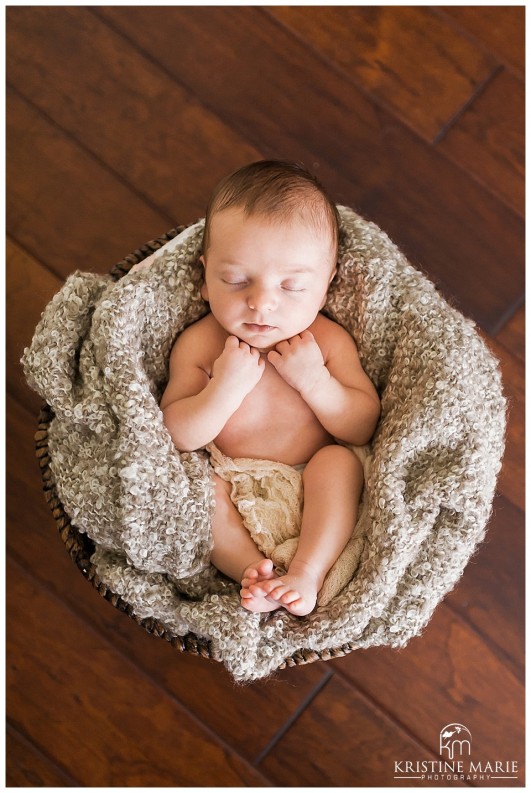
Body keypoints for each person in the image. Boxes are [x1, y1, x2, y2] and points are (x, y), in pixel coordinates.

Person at [160, 161, 380, 616]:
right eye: (236, 280)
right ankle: (251, 572)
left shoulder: (327, 342)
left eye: (293, 286)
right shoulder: (200, 344)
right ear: (203, 278)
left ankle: (306, 572)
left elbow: (360, 427)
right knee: (200, 489)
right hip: (234, 481)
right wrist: (222, 389)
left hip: (312, 485)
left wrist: (316, 382)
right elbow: (177, 435)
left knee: (338, 463)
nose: (261, 302)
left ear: (325, 286)